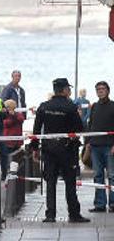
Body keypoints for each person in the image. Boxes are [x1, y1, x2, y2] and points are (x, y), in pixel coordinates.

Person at [30, 78, 89, 223]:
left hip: (49, 149)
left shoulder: (44, 106)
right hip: (67, 149)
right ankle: (74, 214)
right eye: (68, 88)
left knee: (50, 182)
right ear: (63, 90)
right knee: (70, 182)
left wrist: (34, 148)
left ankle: (50, 215)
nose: (69, 91)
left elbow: (36, 130)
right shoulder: (70, 107)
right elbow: (79, 128)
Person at [86, 81, 114, 213]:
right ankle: (100, 205)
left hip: (109, 146)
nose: (100, 91)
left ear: (108, 90)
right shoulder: (94, 107)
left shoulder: (113, 106)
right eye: (98, 89)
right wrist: (88, 142)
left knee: (112, 176)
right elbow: (90, 125)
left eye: (102, 89)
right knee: (98, 176)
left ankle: (113, 204)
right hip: (95, 146)